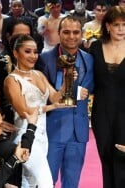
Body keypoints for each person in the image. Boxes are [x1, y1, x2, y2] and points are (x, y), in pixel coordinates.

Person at [4, 34, 71, 188]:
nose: (33, 56)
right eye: (27, 51)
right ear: (15, 53)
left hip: (42, 136)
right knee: (46, 181)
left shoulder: (39, 74)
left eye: (35, 52)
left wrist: (67, 82)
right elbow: (23, 111)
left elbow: (55, 97)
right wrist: (50, 107)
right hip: (24, 136)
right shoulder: (11, 80)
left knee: (29, 181)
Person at [38, 15, 94, 188]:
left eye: (76, 32)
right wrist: (75, 91)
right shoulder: (44, 59)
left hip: (78, 132)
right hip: (52, 130)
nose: (71, 37)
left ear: (82, 33)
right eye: (67, 32)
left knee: (72, 183)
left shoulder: (89, 59)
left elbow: (91, 87)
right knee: (47, 182)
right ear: (59, 33)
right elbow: (41, 93)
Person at [89, 6, 125, 188]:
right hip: (101, 112)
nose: (121, 29)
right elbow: (87, 78)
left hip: (124, 114)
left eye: (124, 25)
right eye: (117, 25)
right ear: (108, 26)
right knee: (107, 160)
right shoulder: (95, 47)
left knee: (122, 160)